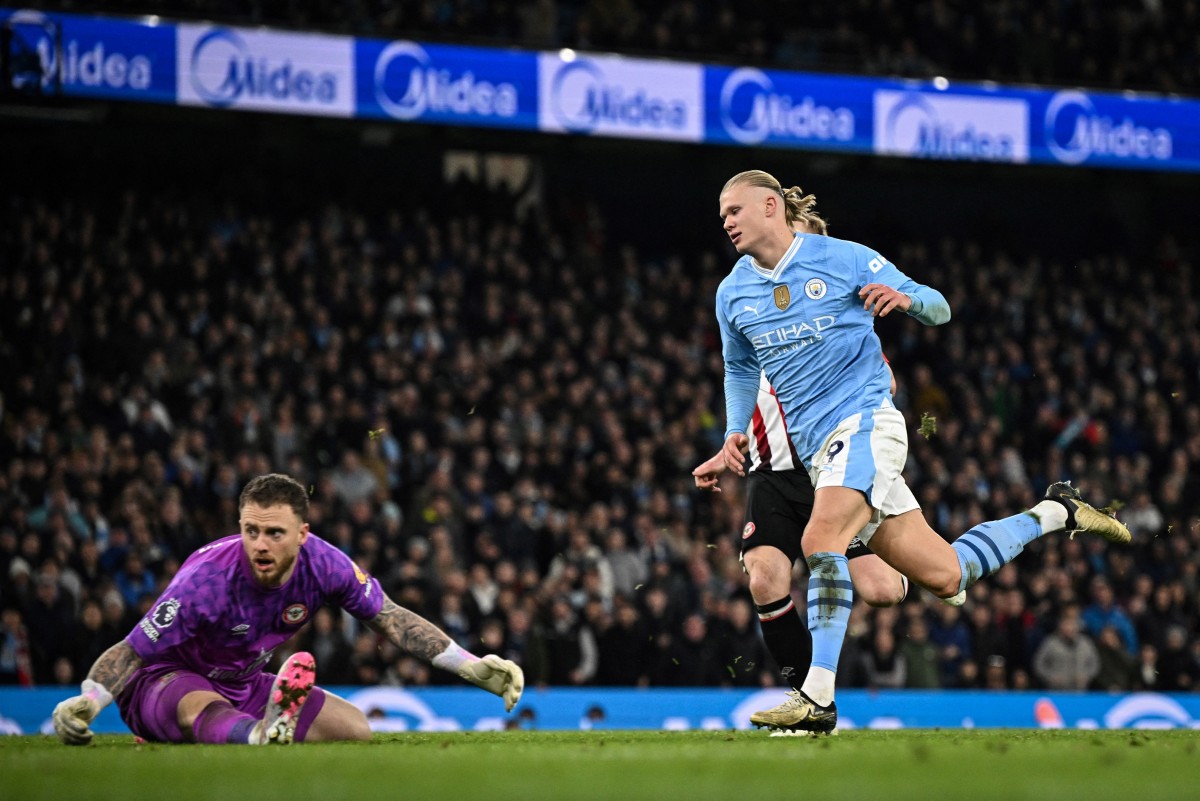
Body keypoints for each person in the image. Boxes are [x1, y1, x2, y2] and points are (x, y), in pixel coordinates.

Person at [708, 169, 1129, 734]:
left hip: (866, 424)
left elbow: (940, 307)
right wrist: (735, 430)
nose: (727, 222)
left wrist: (905, 299)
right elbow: (739, 367)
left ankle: (816, 696)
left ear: (769, 206)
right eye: (722, 216)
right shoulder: (733, 292)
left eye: (734, 210)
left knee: (819, 540)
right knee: (948, 576)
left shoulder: (845, 258)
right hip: (819, 455)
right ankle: (1057, 511)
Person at [51, 473, 523, 746]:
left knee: (355, 731)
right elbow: (133, 652)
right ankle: (255, 737)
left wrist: (473, 667)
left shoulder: (325, 565)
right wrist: (89, 701)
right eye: (250, 530)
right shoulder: (205, 580)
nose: (259, 543)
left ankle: (259, 727)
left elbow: (392, 619)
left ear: (302, 532)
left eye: (274, 532)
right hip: (163, 681)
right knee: (199, 704)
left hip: (240, 683)